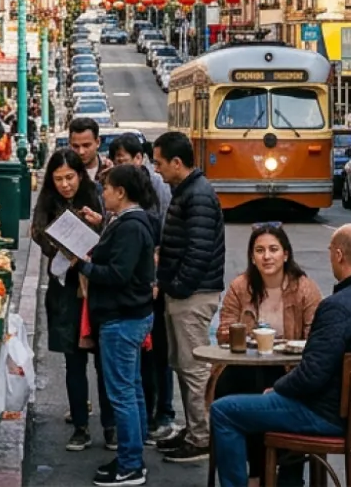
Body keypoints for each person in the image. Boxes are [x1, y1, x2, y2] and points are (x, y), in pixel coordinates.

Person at [209, 225, 351, 487]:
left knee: (223, 410)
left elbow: (311, 375)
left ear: (339, 255)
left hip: (326, 415)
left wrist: (276, 389)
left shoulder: (336, 307)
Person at [65, 164, 159, 487]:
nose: (103, 194)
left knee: (122, 393)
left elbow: (119, 274)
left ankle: (131, 463)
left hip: (123, 318)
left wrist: (86, 266)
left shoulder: (131, 226)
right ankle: (132, 455)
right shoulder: (126, 222)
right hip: (127, 315)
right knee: (130, 389)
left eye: (107, 189)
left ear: (121, 192)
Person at [212, 224, 323, 487]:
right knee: (230, 386)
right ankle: (251, 475)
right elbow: (223, 332)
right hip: (247, 365)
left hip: (289, 369)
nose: (267, 256)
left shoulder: (305, 288)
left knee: (267, 389)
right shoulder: (241, 286)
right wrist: (248, 336)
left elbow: (316, 338)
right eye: (259, 250)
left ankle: (274, 475)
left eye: (273, 249)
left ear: (286, 254)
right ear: (252, 256)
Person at [150, 130, 225, 464]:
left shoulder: (197, 194)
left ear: (177, 163)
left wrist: (178, 285)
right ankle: (195, 429)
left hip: (192, 294)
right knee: (183, 364)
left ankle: (201, 436)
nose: (157, 170)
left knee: (193, 368)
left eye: (160, 163)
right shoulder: (187, 190)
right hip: (185, 291)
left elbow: (198, 250)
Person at [30, 149, 108, 453]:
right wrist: (62, 242)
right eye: (59, 178)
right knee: (73, 362)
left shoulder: (96, 196)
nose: (65, 184)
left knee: (104, 363)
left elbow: (109, 234)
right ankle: (80, 425)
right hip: (64, 291)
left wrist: (94, 228)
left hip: (97, 289)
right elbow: (39, 233)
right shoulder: (48, 202)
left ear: (80, 175)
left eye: (70, 177)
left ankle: (110, 426)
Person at [110, 133, 174, 439]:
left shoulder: (153, 198)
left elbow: (119, 271)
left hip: (140, 298)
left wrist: (85, 265)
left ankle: (160, 415)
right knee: (133, 379)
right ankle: (144, 424)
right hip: (140, 296)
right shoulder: (124, 216)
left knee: (151, 361)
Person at [68, 116, 107, 187]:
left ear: (98, 142)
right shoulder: (62, 173)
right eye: (76, 146)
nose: (81, 152)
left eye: (86, 145)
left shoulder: (109, 171)